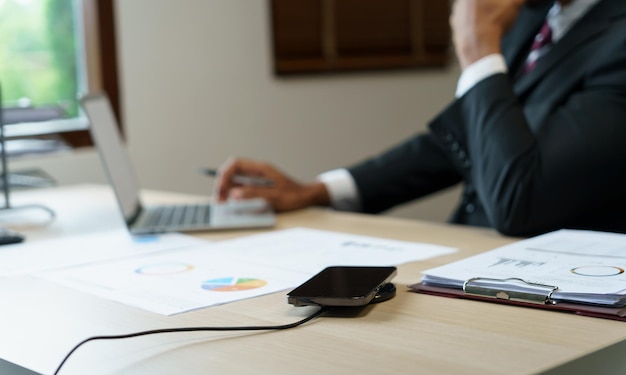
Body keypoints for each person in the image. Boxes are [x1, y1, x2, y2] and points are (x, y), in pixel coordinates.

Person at [214, 0, 626, 237]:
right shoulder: (538, 19)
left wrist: (478, 49)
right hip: (477, 264)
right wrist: (317, 191)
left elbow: (522, 201)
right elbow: (466, 140)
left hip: (565, 303)